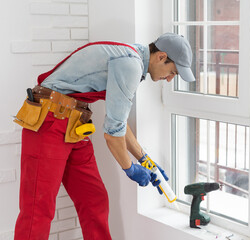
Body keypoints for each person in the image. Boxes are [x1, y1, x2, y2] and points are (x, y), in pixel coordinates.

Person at [13, 33, 195, 240]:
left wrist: (144, 159)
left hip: (74, 123)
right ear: (161, 57)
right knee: (39, 207)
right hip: (50, 120)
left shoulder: (131, 59)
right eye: (172, 72)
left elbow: (119, 122)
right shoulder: (130, 64)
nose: (170, 79)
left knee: (94, 200)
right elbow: (112, 134)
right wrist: (130, 168)